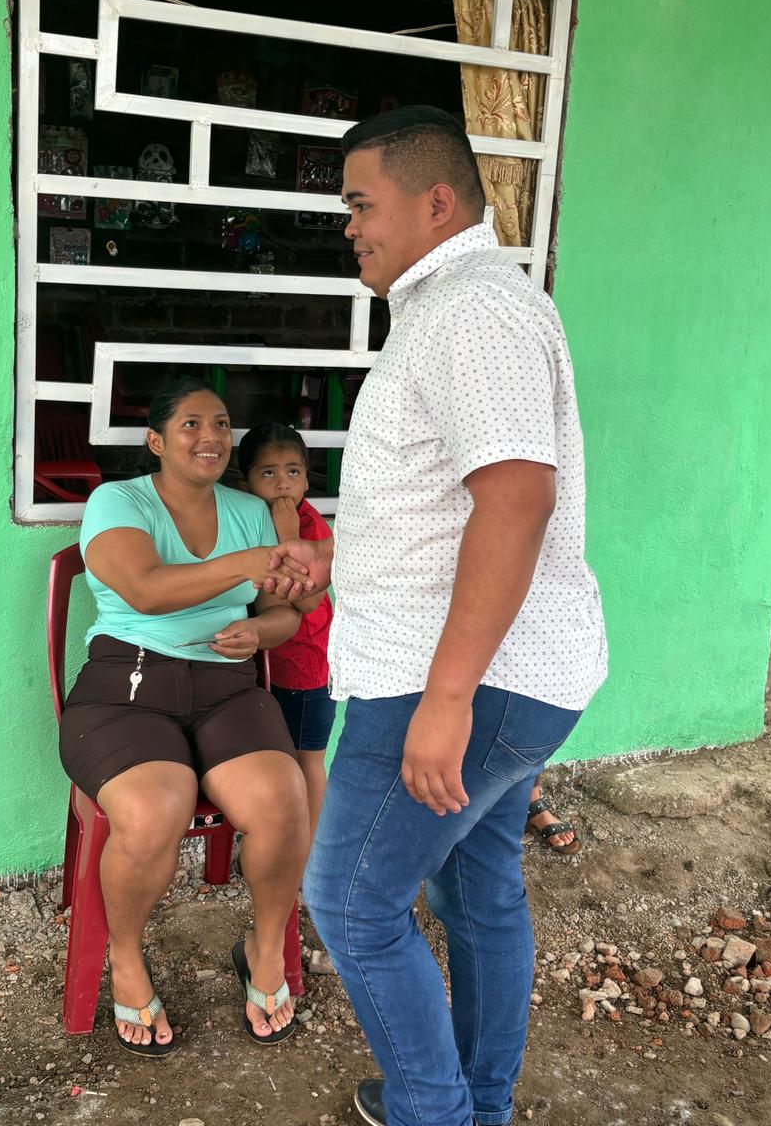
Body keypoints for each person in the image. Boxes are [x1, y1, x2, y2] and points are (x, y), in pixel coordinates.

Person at [267, 106, 608, 1126]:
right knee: (476, 887)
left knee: (352, 902)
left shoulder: (472, 311)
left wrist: (448, 697)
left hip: (454, 681)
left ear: (437, 202)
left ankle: (436, 1111)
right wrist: (336, 558)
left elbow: (515, 499)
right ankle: (473, 1105)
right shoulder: (453, 308)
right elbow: (448, 503)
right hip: (498, 672)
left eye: (361, 204)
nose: (349, 227)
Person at [58, 377, 310, 1055]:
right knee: (154, 810)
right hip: (127, 685)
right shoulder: (119, 501)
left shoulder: (250, 511)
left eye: (222, 424)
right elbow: (143, 590)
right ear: (156, 441)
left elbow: (283, 612)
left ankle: (263, 949)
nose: (211, 437)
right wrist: (245, 564)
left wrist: (261, 631)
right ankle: (126, 957)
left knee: (283, 803)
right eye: (192, 424)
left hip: (228, 686)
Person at [238, 423, 336, 843]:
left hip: (306, 669)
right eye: (269, 473)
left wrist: (288, 534)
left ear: (308, 480)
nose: (283, 484)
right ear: (245, 482)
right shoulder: (249, 520)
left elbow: (309, 600)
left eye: (293, 472)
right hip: (272, 663)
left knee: (306, 761)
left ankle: (310, 853)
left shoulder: (310, 526)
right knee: (279, 760)